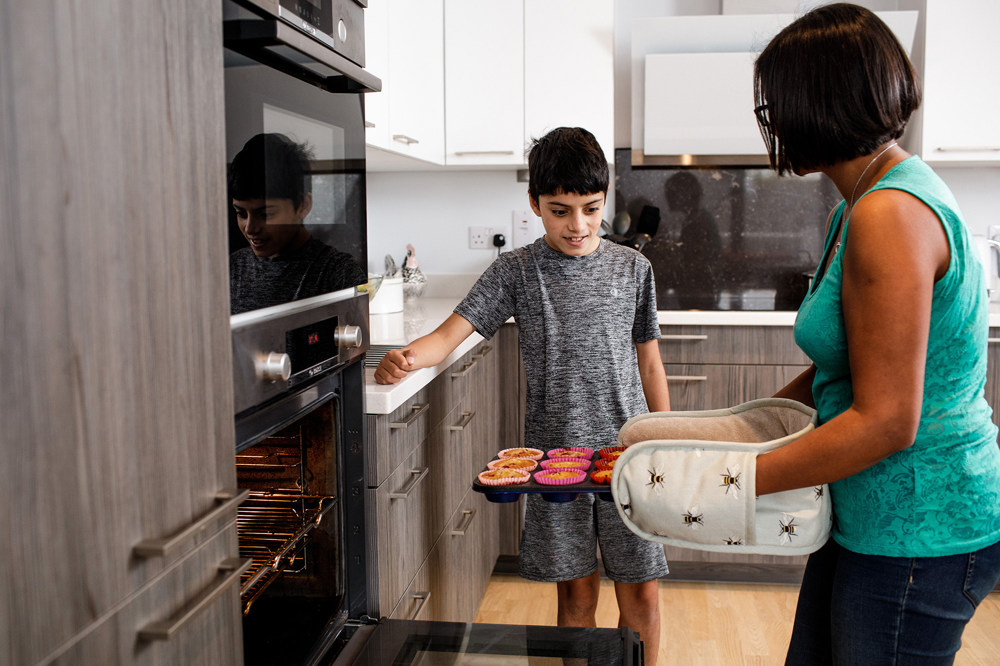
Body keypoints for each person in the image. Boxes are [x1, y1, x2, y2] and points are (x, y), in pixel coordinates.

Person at [750, 5, 1000, 663]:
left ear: (818, 106)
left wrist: (731, 480)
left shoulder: (890, 213)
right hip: (873, 518)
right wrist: (742, 428)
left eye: (778, 104)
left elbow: (889, 420)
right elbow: (846, 369)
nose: (772, 123)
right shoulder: (865, 201)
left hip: (919, 529)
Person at [374, 127, 671, 665]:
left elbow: (649, 360)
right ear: (534, 203)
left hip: (631, 457)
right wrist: (405, 357)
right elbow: (448, 334)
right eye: (560, 210)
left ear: (606, 200)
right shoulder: (515, 272)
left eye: (590, 208)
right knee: (576, 592)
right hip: (555, 463)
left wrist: (668, 440)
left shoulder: (635, 270)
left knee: (642, 590)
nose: (577, 225)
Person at [228, 132, 366, 315]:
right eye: (241, 213)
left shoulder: (338, 274)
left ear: (303, 205)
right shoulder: (232, 268)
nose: (250, 228)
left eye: (266, 214)